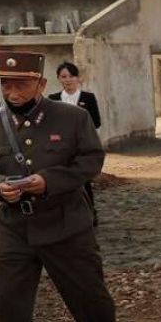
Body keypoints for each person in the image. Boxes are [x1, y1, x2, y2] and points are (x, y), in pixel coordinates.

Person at [0, 51, 123, 322]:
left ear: (40, 84)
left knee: (88, 295)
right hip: (15, 228)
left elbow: (90, 160)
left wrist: (49, 181)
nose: (12, 92)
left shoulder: (72, 118)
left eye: (20, 84)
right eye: (5, 84)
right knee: (10, 304)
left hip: (66, 224)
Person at [48, 62, 101, 225]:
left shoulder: (88, 98)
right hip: (60, 147)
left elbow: (96, 122)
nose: (68, 80)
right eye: (64, 76)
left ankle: (90, 212)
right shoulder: (53, 99)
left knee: (83, 180)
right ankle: (62, 215)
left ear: (78, 78)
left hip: (81, 146)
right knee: (60, 180)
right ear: (58, 78)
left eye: (71, 76)